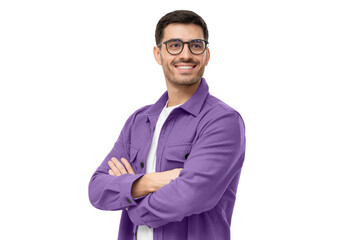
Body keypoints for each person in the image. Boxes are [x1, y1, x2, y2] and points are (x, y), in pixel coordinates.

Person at [88, 10, 246, 240]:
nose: (186, 54)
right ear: (158, 53)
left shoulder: (222, 121)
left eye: (196, 45)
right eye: (174, 45)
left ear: (207, 55)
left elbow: (189, 196)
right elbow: (97, 189)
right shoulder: (138, 121)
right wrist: (152, 181)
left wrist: (130, 199)